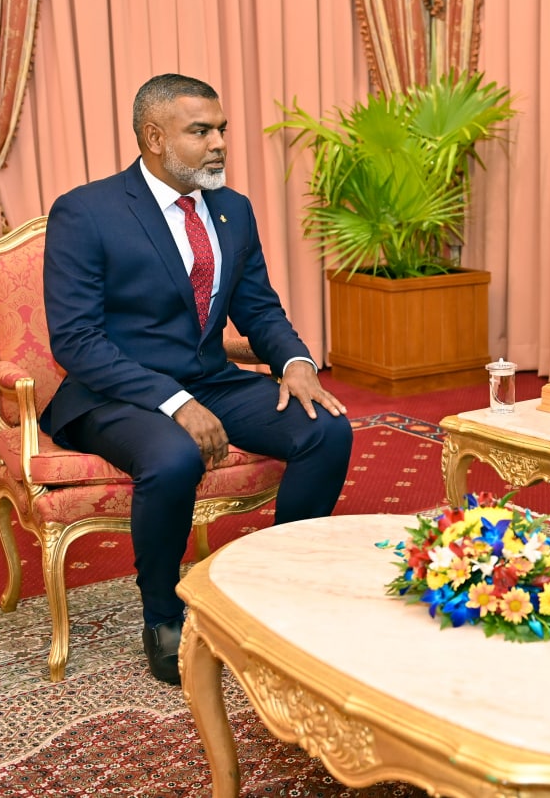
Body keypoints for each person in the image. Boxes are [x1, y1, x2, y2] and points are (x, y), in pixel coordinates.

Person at [42, 74, 354, 685]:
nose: (219, 144)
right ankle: (163, 614)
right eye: (201, 131)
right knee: (174, 455)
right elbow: (75, 341)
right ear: (155, 137)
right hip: (116, 391)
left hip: (211, 377)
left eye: (221, 130)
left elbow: (258, 308)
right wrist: (174, 401)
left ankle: (273, 588)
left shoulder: (231, 209)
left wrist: (297, 365)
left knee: (326, 429)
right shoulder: (88, 210)